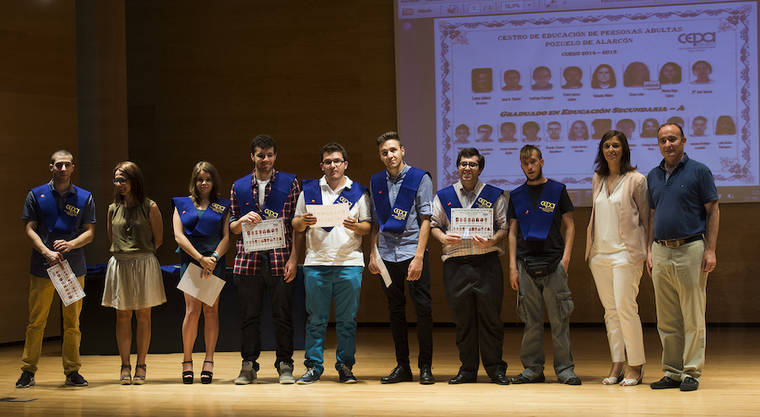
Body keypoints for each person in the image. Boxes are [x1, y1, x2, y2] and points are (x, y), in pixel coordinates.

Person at [646, 123, 719, 392]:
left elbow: (713, 211)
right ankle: (673, 371)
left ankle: (691, 372)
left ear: (684, 141)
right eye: (663, 140)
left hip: (691, 249)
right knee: (667, 318)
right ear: (659, 144)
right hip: (661, 250)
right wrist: (649, 250)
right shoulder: (652, 175)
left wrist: (710, 249)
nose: (668, 144)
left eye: (673, 139)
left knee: (692, 314)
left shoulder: (699, 171)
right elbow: (652, 216)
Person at [292, 142, 371, 384]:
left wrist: (355, 226)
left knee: (347, 320)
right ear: (322, 165)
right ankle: (314, 367)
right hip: (316, 262)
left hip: (349, 263)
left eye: (337, 161)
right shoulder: (309, 191)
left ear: (345, 164)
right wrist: (303, 221)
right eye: (328, 161)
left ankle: (345, 366)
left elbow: (367, 226)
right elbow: (295, 224)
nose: (333, 165)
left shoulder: (357, 191)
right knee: (316, 319)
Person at [16, 150, 95, 388]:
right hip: (43, 266)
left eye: (66, 165)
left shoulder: (84, 197)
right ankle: (28, 371)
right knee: (36, 321)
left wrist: (71, 244)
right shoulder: (36, 195)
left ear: (73, 168)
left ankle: (72, 371)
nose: (62, 169)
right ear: (50, 167)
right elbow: (29, 228)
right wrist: (46, 252)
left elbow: (90, 232)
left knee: (72, 322)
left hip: (72, 268)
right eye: (58, 165)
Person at [430, 148, 509, 385]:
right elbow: (434, 224)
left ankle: (496, 369)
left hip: (487, 263)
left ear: (480, 168)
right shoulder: (444, 195)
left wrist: (493, 240)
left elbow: (504, 227)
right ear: (457, 167)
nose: (467, 168)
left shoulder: (494, 195)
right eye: (463, 164)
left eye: (472, 165)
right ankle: (467, 369)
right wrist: (443, 238)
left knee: (491, 319)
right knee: (463, 320)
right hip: (456, 265)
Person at [229, 134, 301, 385]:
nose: (265, 159)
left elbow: (297, 224)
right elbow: (233, 227)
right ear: (252, 157)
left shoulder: (289, 183)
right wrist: (241, 221)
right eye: (261, 155)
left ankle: (285, 364)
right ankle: (248, 365)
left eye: (270, 155)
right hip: (247, 262)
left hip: (281, 260)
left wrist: (294, 259)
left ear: (275, 156)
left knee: (282, 315)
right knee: (249, 317)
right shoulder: (238, 187)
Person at [508, 145, 581, 386]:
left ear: (541, 161)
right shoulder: (516, 194)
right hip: (525, 264)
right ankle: (532, 369)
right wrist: (512, 266)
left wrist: (566, 259)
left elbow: (570, 225)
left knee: (560, 319)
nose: (529, 167)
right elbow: (512, 232)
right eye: (525, 163)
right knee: (531, 321)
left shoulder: (557, 190)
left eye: (533, 162)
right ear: (521, 165)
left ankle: (565, 369)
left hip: (554, 262)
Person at [368, 131, 435, 385]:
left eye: (393, 150)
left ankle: (425, 367)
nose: (390, 155)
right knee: (395, 311)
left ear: (403, 150)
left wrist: (419, 257)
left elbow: (426, 219)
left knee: (423, 310)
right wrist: (373, 254)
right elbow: (375, 222)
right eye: (385, 152)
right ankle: (402, 366)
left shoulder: (420, 178)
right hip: (386, 256)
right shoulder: (376, 181)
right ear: (380, 155)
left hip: (411, 253)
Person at [585, 131, 648, 386]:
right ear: (601, 150)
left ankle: (636, 364)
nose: (611, 149)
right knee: (610, 312)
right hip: (599, 254)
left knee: (626, 309)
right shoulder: (597, 178)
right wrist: (590, 252)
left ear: (624, 150)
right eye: (607, 146)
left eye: (616, 145)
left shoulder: (636, 179)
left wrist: (646, 251)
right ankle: (617, 362)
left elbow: (646, 218)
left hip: (626, 253)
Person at [102, 161, 166, 385]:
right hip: (120, 263)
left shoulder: (150, 206)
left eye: (124, 179)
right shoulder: (112, 208)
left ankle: (141, 364)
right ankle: (125, 365)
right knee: (122, 316)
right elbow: (112, 238)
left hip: (144, 261)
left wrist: (139, 255)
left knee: (143, 317)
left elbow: (158, 239)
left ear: (134, 180)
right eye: (117, 180)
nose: (120, 184)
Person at [172, 161, 230, 384]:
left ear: (213, 181)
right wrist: (200, 259)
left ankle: (209, 361)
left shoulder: (222, 206)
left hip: (214, 263)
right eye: (200, 179)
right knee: (191, 311)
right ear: (194, 182)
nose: (204, 183)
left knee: (211, 311)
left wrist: (213, 258)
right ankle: (187, 362)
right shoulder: (182, 204)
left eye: (207, 179)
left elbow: (226, 237)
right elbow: (179, 236)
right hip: (193, 262)